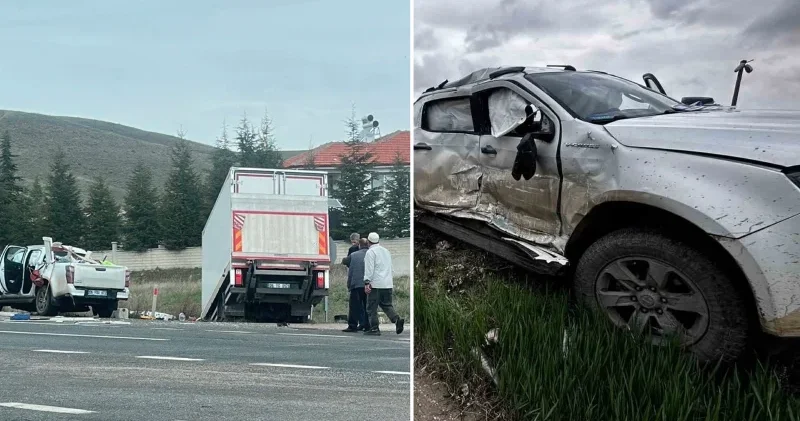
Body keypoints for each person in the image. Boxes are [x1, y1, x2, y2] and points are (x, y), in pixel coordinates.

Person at [363, 232, 404, 335]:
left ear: (368, 241)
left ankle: (374, 328)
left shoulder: (370, 252)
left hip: (375, 284)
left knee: (371, 307)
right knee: (386, 305)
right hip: (387, 283)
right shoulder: (386, 251)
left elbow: (369, 269)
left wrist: (367, 283)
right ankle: (396, 319)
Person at [342, 238, 370, 332]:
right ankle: (367, 325)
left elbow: (345, 261)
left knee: (354, 306)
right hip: (370, 284)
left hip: (356, 284)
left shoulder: (354, 255)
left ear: (359, 245)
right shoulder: (372, 254)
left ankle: (352, 325)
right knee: (368, 306)